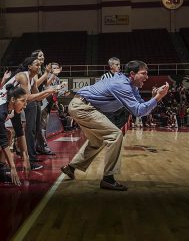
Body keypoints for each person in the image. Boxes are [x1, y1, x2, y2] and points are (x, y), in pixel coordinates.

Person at [60, 60, 169, 191]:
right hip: (83, 107)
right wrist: (157, 98)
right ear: (132, 74)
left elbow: (142, 108)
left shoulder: (131, 86)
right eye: (144, 74)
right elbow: (138, 111)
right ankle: (108, 179)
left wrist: (154, 97)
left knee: (97, 141)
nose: (147, 77)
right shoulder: (122, 85)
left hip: (82, 106)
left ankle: (71, 167)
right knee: (115, 135)